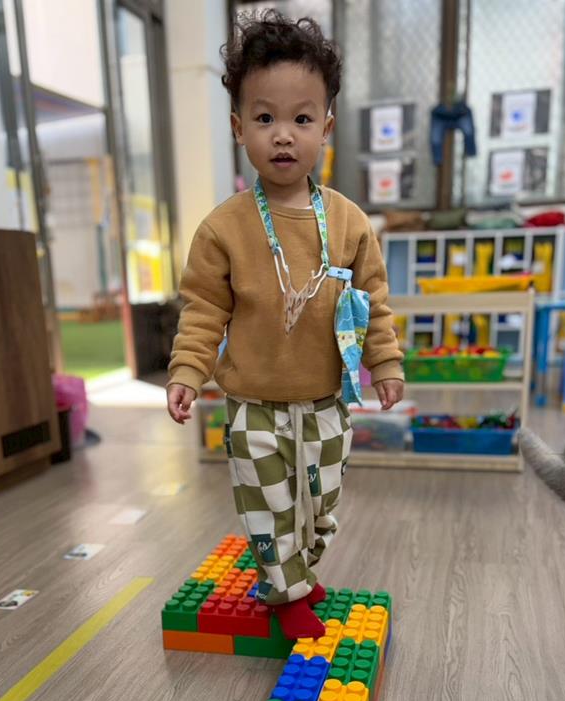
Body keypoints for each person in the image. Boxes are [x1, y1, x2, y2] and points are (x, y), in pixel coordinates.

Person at [166, 11, 404, 641]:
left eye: (301, 119)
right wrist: (187, 371)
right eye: (265, 118)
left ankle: (299, 569)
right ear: (238, 127)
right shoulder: (223, 228)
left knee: (320, 507)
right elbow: (203, 309)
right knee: (269, 508)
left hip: (327, 401)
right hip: (254, 405)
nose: (282, 136)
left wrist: (385, 362)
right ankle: (286, 589)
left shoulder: (349, 221)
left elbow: (374, 301)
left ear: (326, 127)